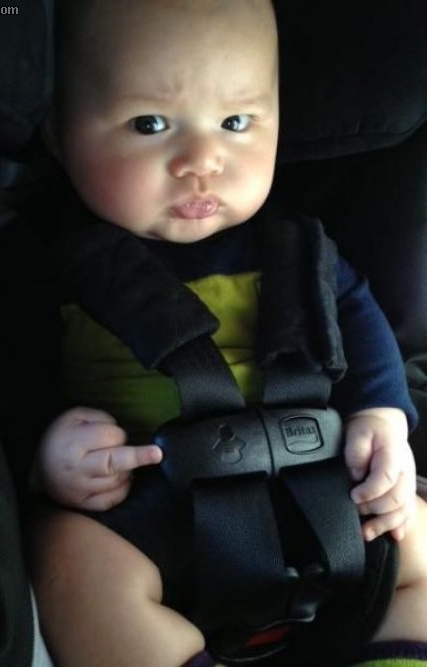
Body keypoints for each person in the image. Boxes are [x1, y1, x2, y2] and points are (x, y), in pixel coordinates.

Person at [23, 1, 427, 666]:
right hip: (149, 510)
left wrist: (382, 414)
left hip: (325, 489)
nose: (203, 160)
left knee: (416, 532)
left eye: (236, 122)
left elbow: (362, 323)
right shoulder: (48, 267)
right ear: (59, 131)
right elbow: (4, 373)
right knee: (65, 560)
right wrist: (47, 449)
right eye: (150, 123)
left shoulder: (298, 247)